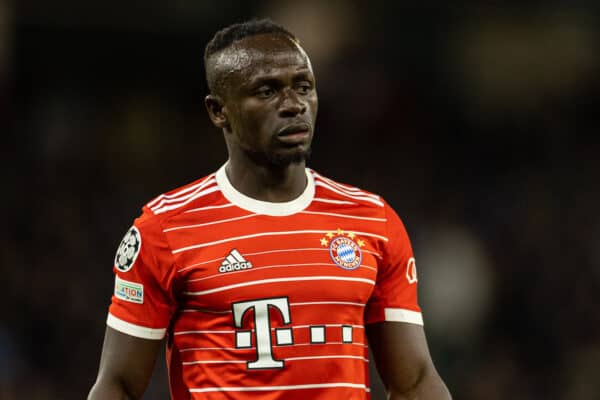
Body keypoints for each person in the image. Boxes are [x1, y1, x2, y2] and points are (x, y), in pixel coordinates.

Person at [88, 18, 451, 400]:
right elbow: (119, 386)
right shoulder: (164, 230)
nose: (293, 105)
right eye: (267, 90)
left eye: (303, 87)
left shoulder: (371, 220)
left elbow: (414, 381)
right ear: (218, 111)